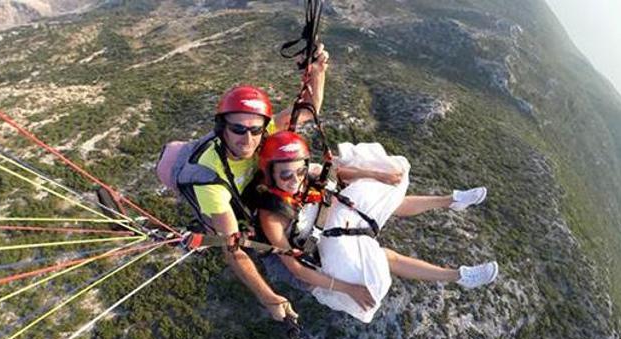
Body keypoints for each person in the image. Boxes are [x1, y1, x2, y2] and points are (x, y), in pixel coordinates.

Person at [246, 131, 499, 322]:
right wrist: (348, 289)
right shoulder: (273, 215)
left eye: (299, 172)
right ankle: (458, 276)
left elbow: (339, 174)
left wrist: (380, 177)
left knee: (382, 202)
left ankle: (451, 201)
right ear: (270, 176)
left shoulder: (305, 175)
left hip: (328, 223)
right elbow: (296, 269)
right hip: (318, 262)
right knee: (387, 257)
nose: (295, 180)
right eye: (286, 176)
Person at [183, 47, 330, 321]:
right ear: (221, 129)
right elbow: (232, 249)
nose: (248, 139)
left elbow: (310, 108)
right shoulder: (210, 178)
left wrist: (317, 71)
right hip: (228, 203)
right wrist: (267, 296)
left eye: (255, 130)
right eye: (237, 129)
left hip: (251, 189)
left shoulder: (265, 131)